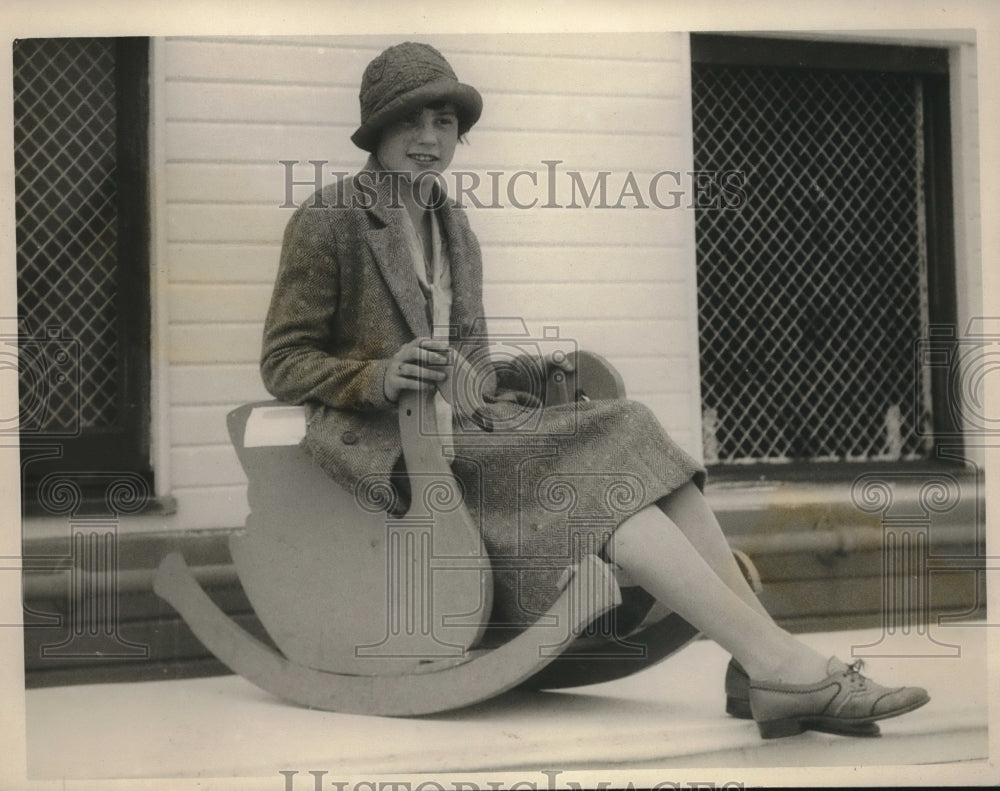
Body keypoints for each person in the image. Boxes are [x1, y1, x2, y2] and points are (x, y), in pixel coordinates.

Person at [260, 41, 929, 739]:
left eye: (445, 122)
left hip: (473, 434)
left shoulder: (456, 228)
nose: (429, 140)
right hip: (389, 451)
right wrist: (379, 375)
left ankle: (768, 661)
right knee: (613, 482)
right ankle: (779, 664)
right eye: (410, 122)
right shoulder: (330, 219)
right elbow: (283, 360)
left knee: (631, 437)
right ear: (376, 130)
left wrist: (516, 378)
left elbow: (472, 368)